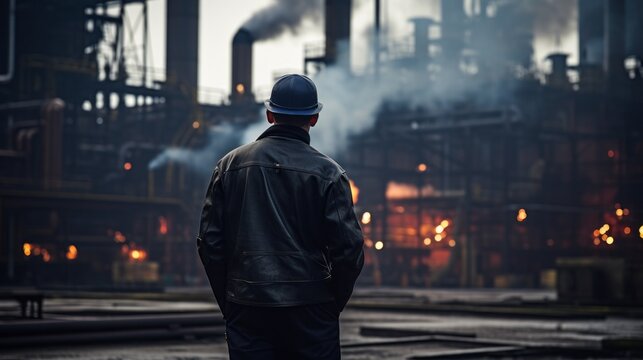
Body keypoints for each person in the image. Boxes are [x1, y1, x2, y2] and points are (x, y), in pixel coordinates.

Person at [197, 74, 364, 359]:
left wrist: (232, 298)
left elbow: (210, 244)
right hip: (310, 307)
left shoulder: (229, 166)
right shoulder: (329, 174)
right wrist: (329, 303)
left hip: (248, 304)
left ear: (270, 114)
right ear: (314, 119)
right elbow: (349, 251)